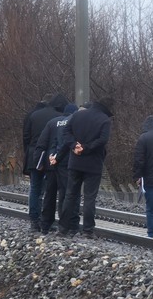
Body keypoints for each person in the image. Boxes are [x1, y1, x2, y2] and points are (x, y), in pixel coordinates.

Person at [58, 97, 114, 237]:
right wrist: (86, 148)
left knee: (70, 195)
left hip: (75, 161)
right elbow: (102, 140)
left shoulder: (77, 115)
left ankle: (63, 228)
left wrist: (74, 145)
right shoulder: (104, 120)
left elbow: (66, 132)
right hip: (93, 164)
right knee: (89, 198)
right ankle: (88, 230)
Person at [22, 93, 68, 231]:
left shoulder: (32, 115)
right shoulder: (58, 119)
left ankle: (34, 220)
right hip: (51, 156)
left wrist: (29, 154)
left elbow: (26, 137)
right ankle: (46, 220)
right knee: (49, 190)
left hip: (33, 154)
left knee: (35, 189)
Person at [35, 103, 77, 233]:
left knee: (50, 193)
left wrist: (44, 160)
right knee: (66, 194)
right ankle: (67, 224)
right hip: (66, 163)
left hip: (51, 163)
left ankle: (46, 223)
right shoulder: (72, 122)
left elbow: (43, 142)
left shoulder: (52, 123)